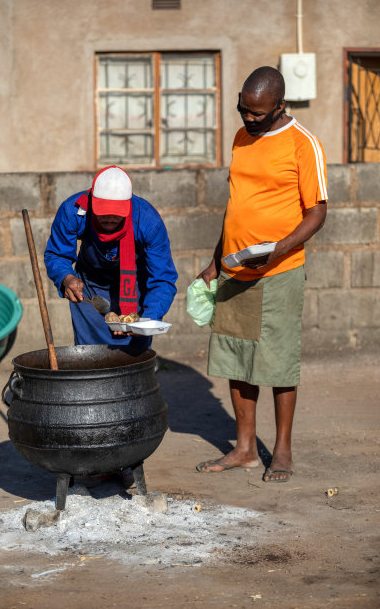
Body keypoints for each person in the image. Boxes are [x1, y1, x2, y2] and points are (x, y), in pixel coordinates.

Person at [196, 66, 327, 482]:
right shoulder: (240, 139)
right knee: (238, 357)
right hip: (236, 268)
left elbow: (318, 211)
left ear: (279, 106)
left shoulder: (303, 144)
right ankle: (246, 449)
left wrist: (278, 250)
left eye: (257, 113)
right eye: (243, 109)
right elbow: (236, 205)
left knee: (277, 361)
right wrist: (216, 259)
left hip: (279, 271)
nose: (248, 119)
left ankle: (283, 451)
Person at [45, 166, 178, 352]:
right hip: (90, 288)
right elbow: (57, 255)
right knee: (90, 356)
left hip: (134, 285)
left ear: (128, 207)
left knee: (134, 356)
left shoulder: (148, 221)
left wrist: (148, 319)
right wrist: (66, 278)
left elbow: (163, 279)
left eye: (117, 213)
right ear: (92, 203)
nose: (109, 218)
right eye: (103, 212)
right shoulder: (73, 210)